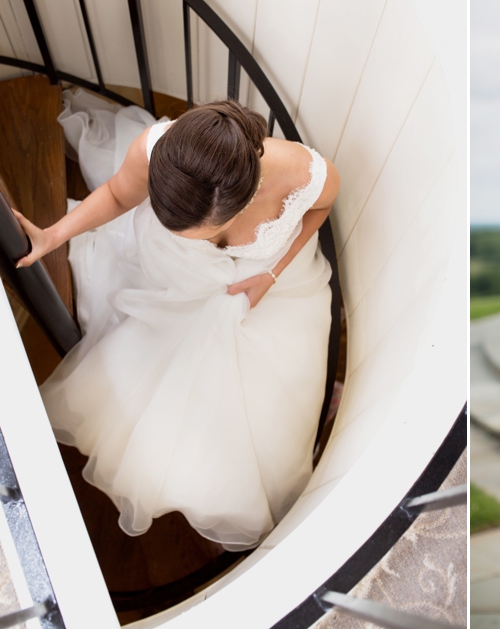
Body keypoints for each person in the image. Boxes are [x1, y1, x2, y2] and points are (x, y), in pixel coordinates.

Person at [14, 97, 339, 551]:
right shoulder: (154, 150)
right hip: (177, 276)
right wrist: (53, 235)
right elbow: (114, 195)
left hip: (265, 283)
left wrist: (272, 271)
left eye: (198, 232)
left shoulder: (304, 173)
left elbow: (320, 210)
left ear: (239, 202)